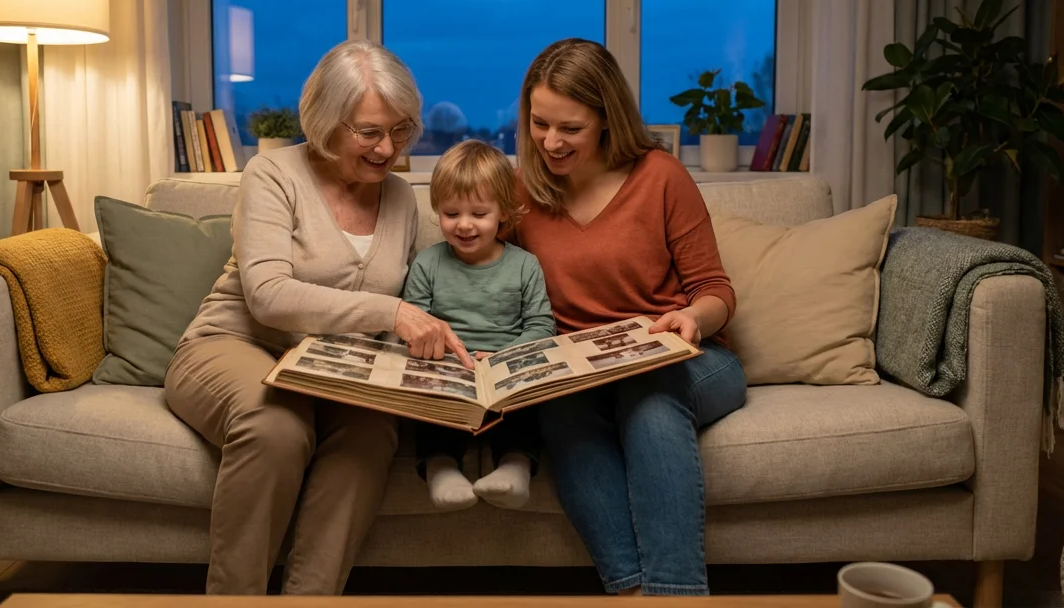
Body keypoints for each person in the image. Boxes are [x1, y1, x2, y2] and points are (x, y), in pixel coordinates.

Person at [165, 39, 469, 596]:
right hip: (234, 343)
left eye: (401, 130)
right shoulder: (272, 174)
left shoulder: (401, 197)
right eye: (370, 132)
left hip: (333, 369)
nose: (388, 148)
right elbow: (269, 296)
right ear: (327, 121)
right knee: (275, 426)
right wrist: (394, 312)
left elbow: (396, 313)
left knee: (374, 431)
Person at [510, 38, 748, 597]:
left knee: (650, 396)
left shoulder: (660, 177)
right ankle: (635, 593)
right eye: (540, 124)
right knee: (562, 414)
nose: (550, 141)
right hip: (583, 375)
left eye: (569, 127)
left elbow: (715, 290)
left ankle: (676, 596)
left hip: (690, 360)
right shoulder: (522, 192)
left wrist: (691, 318)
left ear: (606, 119)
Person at [400, 139, 556, 511]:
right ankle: (441, 469)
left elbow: (541, 326)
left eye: (479, 214)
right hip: (448, 371)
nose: (464, 225)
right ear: (437, 210)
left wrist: (506, 357)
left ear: (504, 212)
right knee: (431, 410)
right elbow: (412, 323)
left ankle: (515, 468)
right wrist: (432, 353)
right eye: (452, 213)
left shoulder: (524, 265)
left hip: (505, 372)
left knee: (526, 408)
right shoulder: (427, 263)